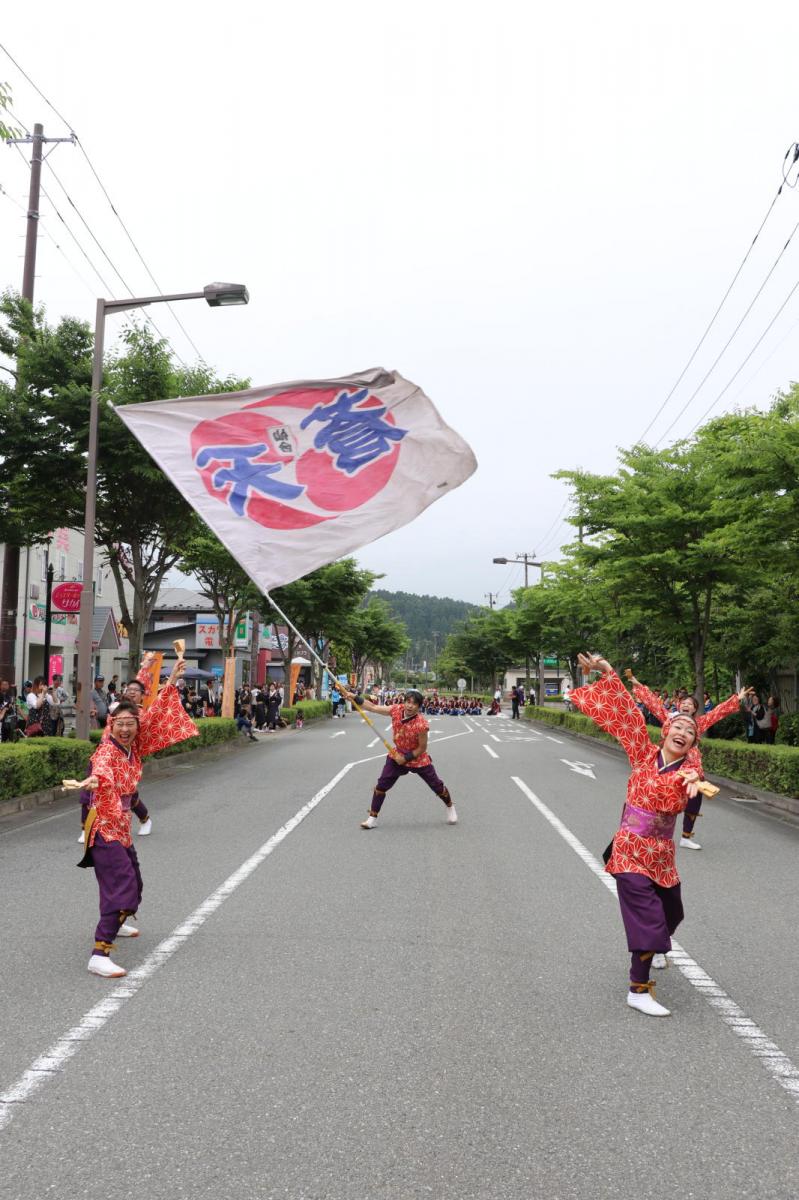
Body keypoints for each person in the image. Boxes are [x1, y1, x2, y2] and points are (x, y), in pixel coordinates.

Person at [571, 653, 702, 1018]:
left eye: (690, 731)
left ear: (693, 744)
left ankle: (658, 944)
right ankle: (638, 988)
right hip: (629, 849)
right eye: (678, 726)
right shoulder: (643, 753)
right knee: (647, 917)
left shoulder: (689, 769)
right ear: (666, 731)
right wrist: (609, 671)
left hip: (661, 853)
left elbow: (694, 783)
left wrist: (693, 782)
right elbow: (628, 715)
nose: (682, 732)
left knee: (671, 913)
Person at [76, 657, 197, 978]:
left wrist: (171, 680)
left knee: (131, 884)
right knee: (123, 886)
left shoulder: (135, 745)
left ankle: (116, 920)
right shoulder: (107, 750)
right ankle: (99, 951)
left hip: (121, 827)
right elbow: (101, 770)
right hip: (104, 828)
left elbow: (156, 713)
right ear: (110, 726)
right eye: (121, 724)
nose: (127, 728)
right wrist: (95, 782)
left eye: (132, 723)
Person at [628, 675, 748, 850]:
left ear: (695, 710)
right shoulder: (669, 717)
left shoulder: (699, 723)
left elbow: (717, 713)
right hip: (670, 766)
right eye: (683, 702)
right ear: (678, 705)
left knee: (693, 800)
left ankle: (686, 836)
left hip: (691, 769)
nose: (686, 705)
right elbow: (653, 703)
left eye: (690, 704)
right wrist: (639, 686)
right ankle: (648, 828)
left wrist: (736, 698)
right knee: (662, 796)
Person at [339, 686, 457, 830]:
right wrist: (354, 697)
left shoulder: (421, 724)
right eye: (408, 702)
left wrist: (406, 758)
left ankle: (450, 807)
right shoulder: (396, 710)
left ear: (419, 707)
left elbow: (422, 748)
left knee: (436, 785)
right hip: (396, 755)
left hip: (417, 758)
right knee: (381, 785)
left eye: (414, 703)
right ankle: (372, 818)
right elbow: (373, 707)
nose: (409, 706)